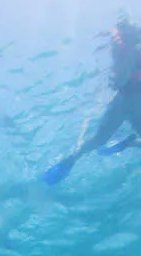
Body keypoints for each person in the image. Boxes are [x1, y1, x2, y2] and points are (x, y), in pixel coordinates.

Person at [43, 16, 141, 185]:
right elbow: (121, 78)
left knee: (99, 139)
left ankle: (71, 160)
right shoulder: (132, 50)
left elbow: (119, 79)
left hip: (125, 100)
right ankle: (128, 143)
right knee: (100, 139)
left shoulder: (130, 49)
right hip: (128, 100)